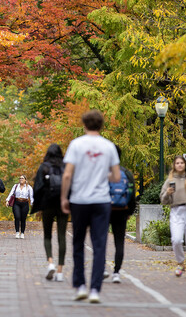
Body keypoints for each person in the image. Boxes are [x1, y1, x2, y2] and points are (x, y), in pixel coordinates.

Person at [61, 110, 121, 304]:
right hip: (101, 200)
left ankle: (80, 286)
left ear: (84, 124)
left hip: (79, 200)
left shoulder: (76, 145)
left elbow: (68, 174)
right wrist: (104, 176)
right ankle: (95, 289)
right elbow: (116, 177)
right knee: (99, 244)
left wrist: (64, 197)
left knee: (78, 243)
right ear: (101, 125)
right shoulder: (109, 146)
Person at [31, 144, 68, 282]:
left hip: (47, 204)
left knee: (47, 235)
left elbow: (37, 188)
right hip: (63, 204)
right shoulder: (65, 167)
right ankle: (60, 271)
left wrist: (38, 205)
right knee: (62, 237)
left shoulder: (44, 167)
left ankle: (50, 262)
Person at [108, 145, 136, 284]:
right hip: (122, 211)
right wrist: (129, 211)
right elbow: (132, 194)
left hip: (104, 210)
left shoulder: (103, 172)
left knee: (99, 240)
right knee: (119, 242)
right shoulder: (126, 173)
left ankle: (101, 269)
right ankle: (116, 272)